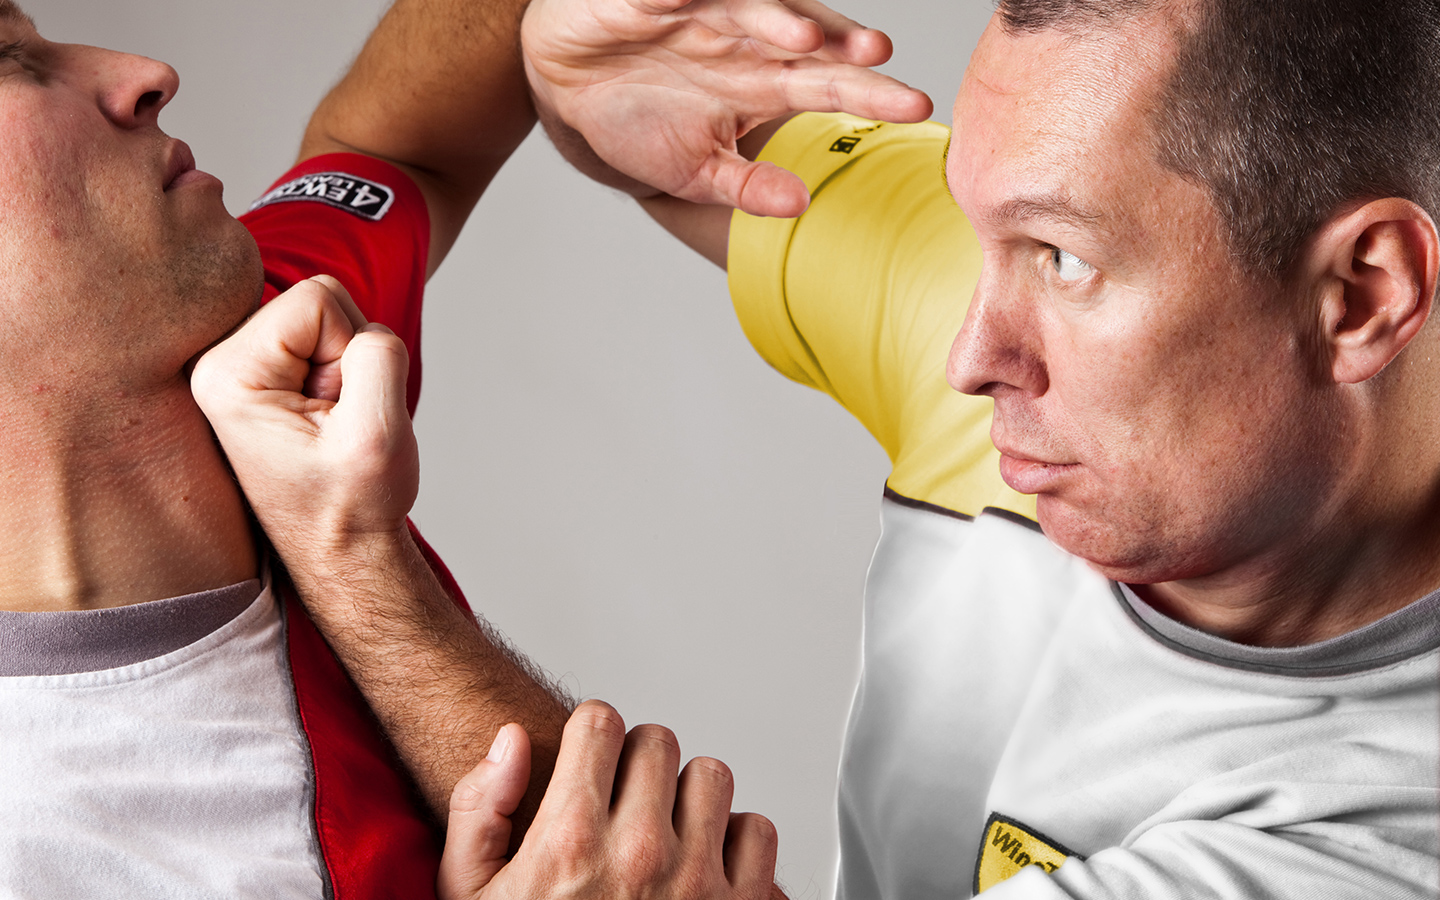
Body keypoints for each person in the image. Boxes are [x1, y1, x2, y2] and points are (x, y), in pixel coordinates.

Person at [203, 0, 1440, 898]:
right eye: (977, 231)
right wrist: (558, 60)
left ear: (1363, 296)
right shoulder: (990, 281)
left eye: (1063, 258)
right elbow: (669, 137)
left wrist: (352, 554)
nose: (970, 352)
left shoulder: (1384, 830)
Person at [0, 0, 926, 895]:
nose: (145, 74)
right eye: (11, 62)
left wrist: (564, 48)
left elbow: (390, 147)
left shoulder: (283, 342)